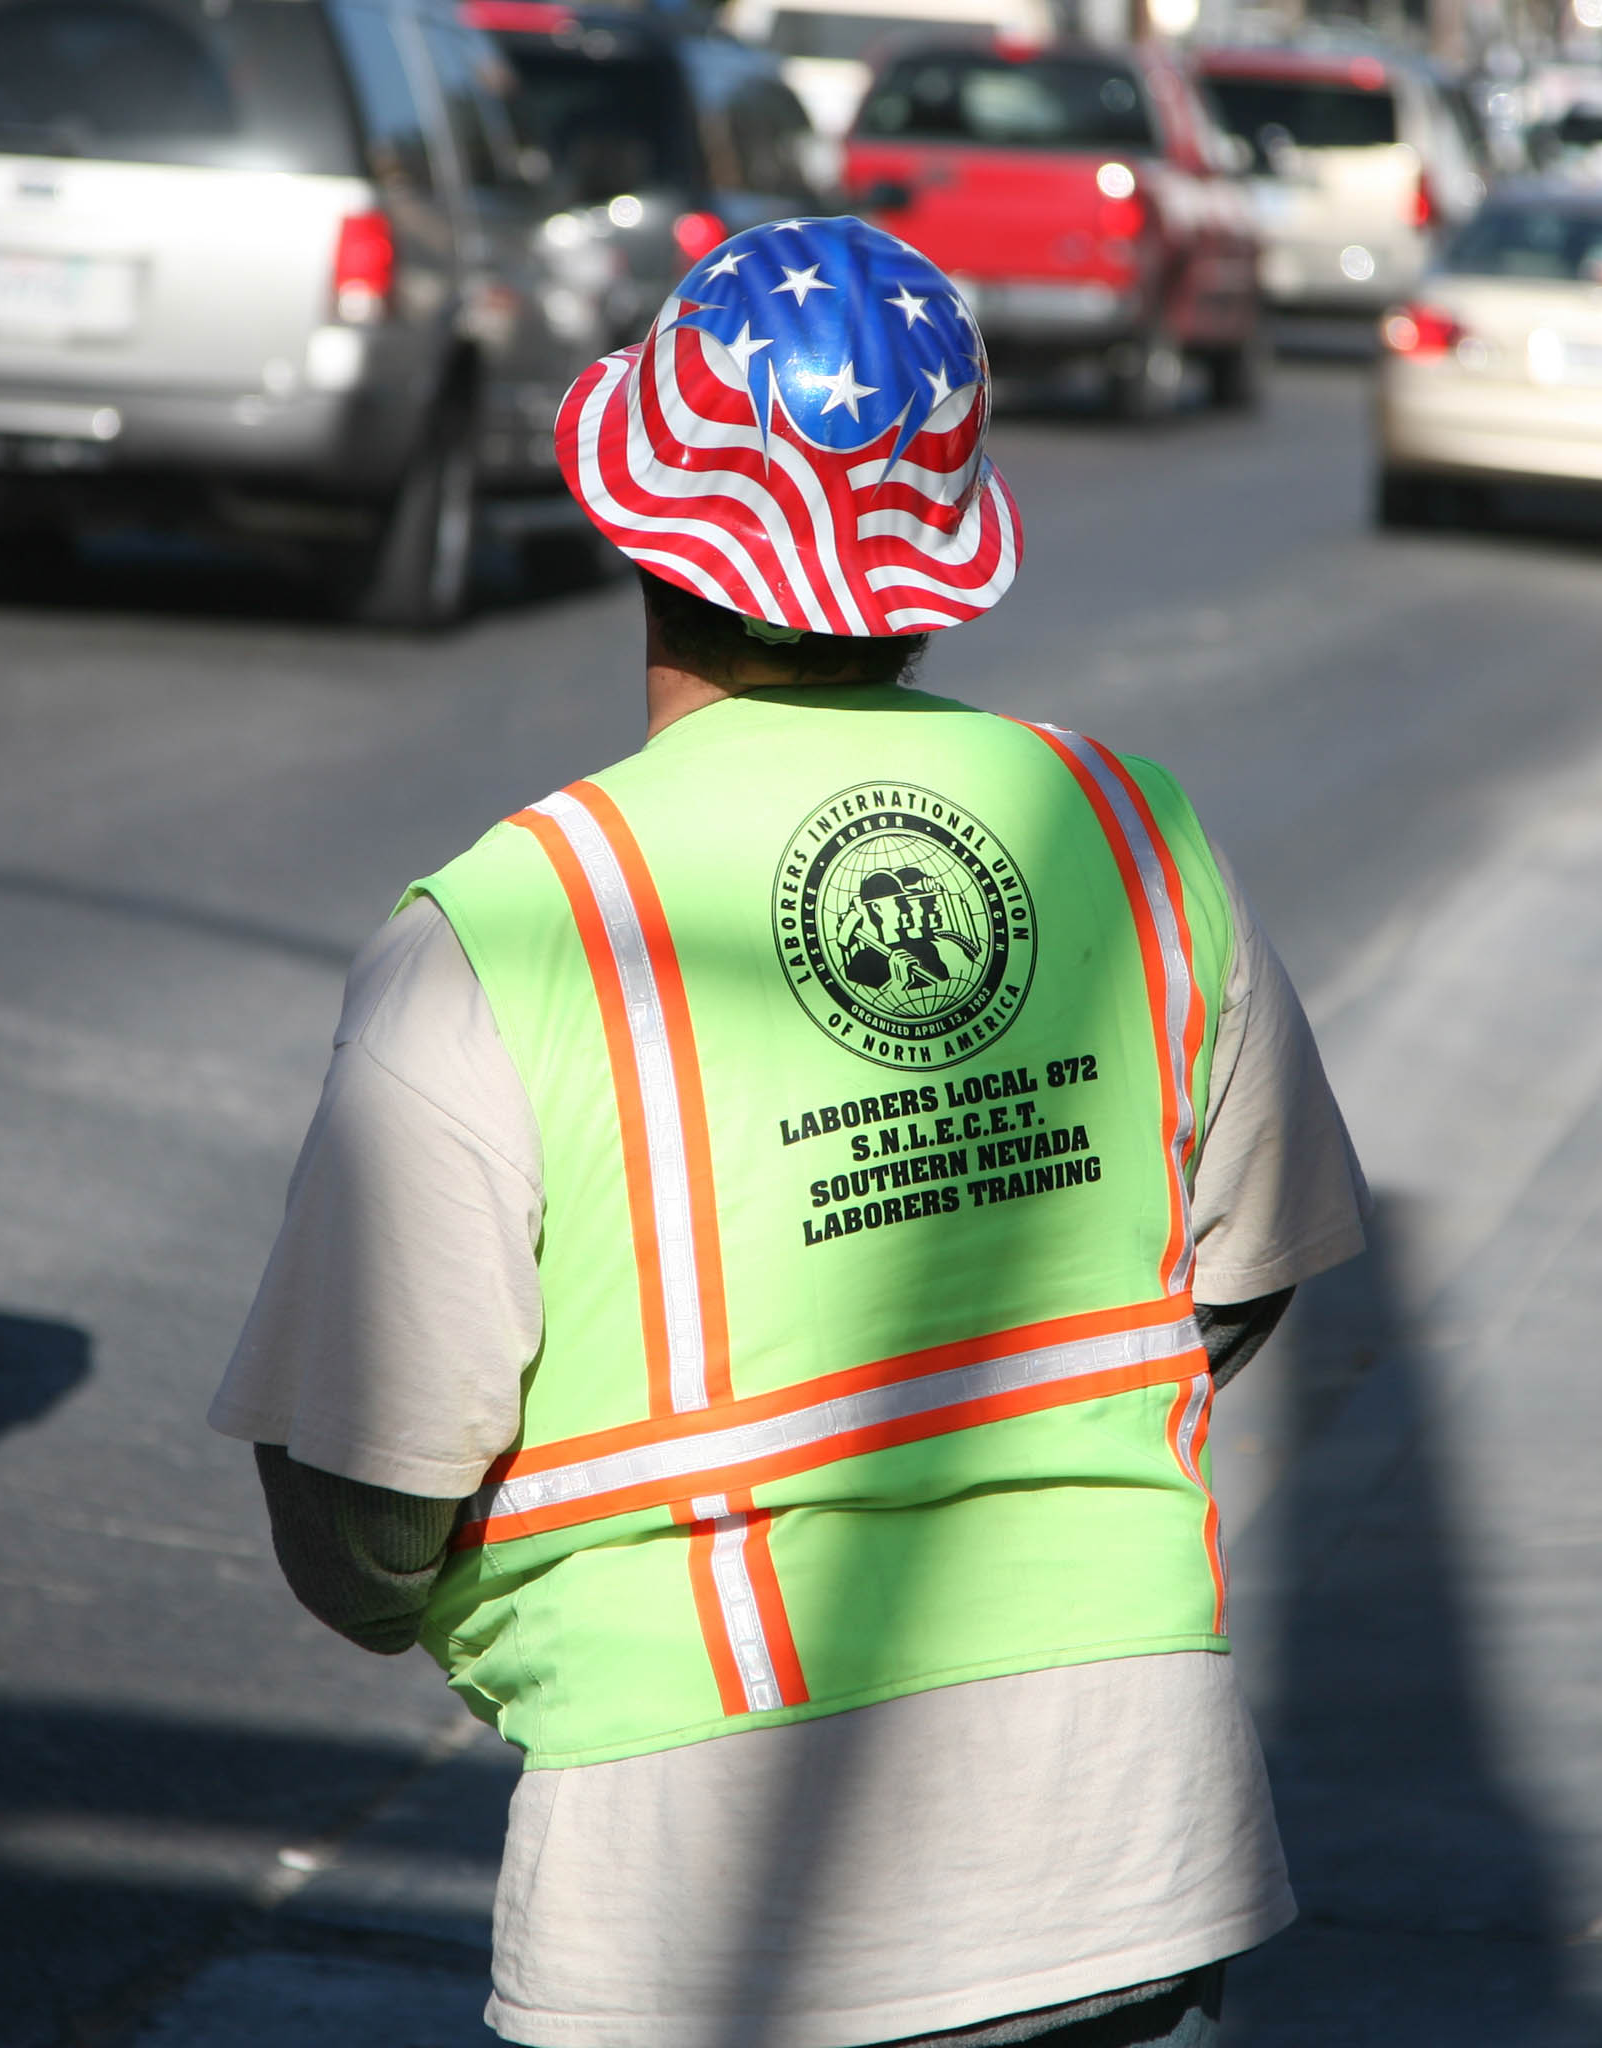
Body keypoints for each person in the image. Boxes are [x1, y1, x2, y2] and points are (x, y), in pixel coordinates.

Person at [210, 216, 1368, 2048]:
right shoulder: (1132, 837)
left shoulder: (507, 930)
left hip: (699, 1896)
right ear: (938, 566)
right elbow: (1238, 1287)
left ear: (635, 522)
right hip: (1126, 1837)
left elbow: (367, 1502)